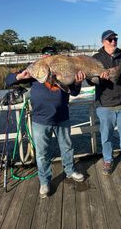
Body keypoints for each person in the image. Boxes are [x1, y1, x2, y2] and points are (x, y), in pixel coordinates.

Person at [6, 46, 86, 198]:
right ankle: (44, 181)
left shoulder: (64, 68)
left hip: (62, 117)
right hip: (40, 120)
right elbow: (8, 80)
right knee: (42, 154)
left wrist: (78, 82)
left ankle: (70, 171)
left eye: (51, 55)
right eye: (46, 55)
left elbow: (74, 92)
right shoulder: (35, 69)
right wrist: (19, 77)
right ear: (42, 57)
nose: (48, 57)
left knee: (67, 147)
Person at [88, 30, 121, 175]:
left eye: (115, 39)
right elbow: (89, 80)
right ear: (103, 41)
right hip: (104, 105)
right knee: (106, 136)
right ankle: (108, 160)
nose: (113, 42)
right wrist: (99, 77)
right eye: (110, 39)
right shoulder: (96, 58)